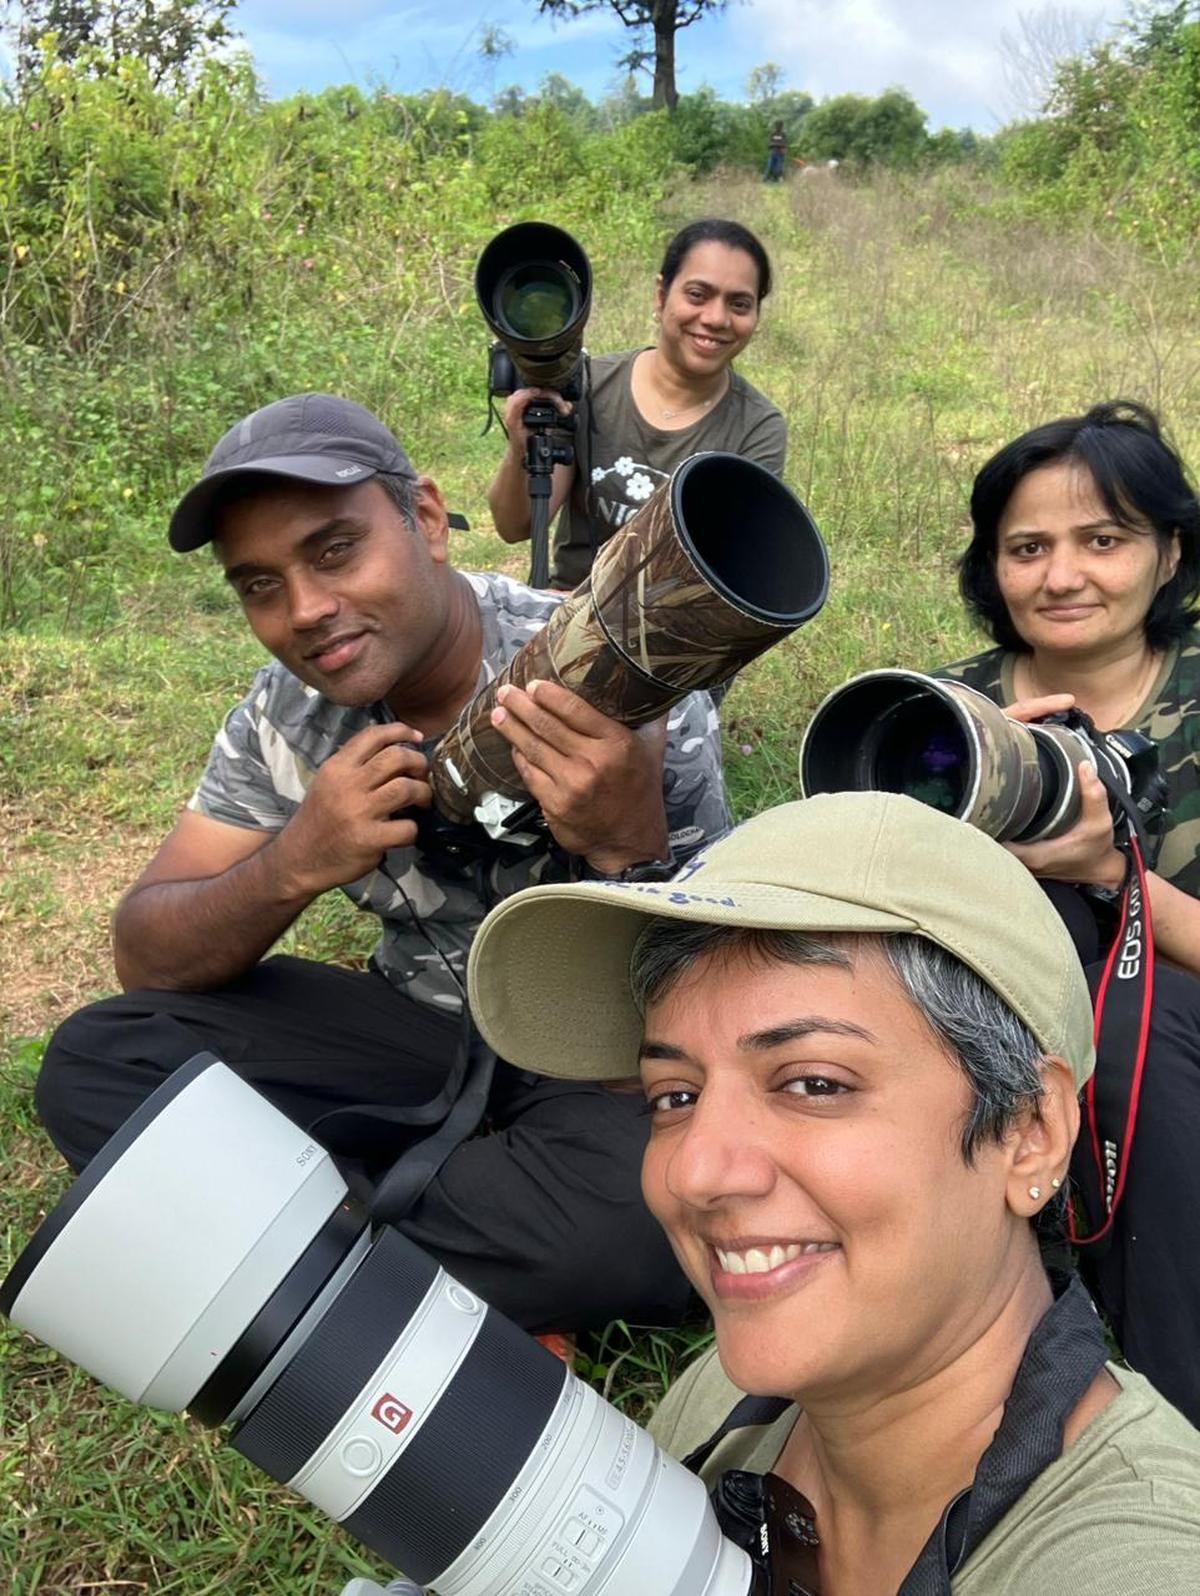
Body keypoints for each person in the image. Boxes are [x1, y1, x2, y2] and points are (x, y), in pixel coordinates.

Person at [33, 392, 732, 1335]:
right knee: (95, 1059)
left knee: (626, 1229)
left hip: (596, 1060)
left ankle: (305, 1250)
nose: (307, 611)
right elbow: (148, 953)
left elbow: (725, 993)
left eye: (333, 551)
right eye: (259, 585)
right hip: (418, 1037)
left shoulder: (619, 676)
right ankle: (455, 1254)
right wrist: (293, 861)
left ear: (429, 522)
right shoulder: (287, 715)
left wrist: (626, 848)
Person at [465, 792, 1200, 1591]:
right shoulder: (724, 1403)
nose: (696, 1173)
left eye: (813, 1083)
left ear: (1031, 1131)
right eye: (673, 1095)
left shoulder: (1140, 1560)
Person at [936, 398, 1200, 1422]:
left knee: (1135, 1016)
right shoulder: (945, 715)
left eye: (1104, 540)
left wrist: (1117, 879)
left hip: (1161, 1053)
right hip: (991, 1041)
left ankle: (1177, 1417)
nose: (1061, 576)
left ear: (1170, 553)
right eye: (1027, 547)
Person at [487, 217, 787, 590]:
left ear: (756, 315)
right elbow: (514, 526)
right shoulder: (590, 385)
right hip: (566, 608)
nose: (715, 318)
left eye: (739, 304)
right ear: (661, 295)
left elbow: (725, 572)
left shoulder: (757, 427)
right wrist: (521, 447)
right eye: (697, 295)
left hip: (672, 628)